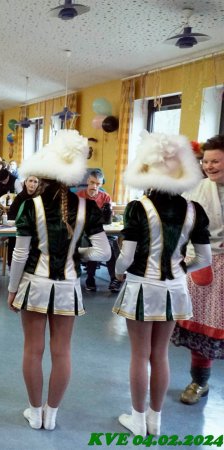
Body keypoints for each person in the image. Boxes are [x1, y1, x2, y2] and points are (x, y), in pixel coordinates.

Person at [7, 130, 111, 431]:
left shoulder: (31, 205)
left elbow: (19, 254)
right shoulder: (87, 206)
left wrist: (12, 290)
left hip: (35, 283)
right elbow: (104, 252)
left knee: (33, 350)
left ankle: (34, 411)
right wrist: (76, 253)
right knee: (62, 351)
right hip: (68, 285)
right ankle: (51, 415)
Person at [112, 131, 211, 435]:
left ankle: (137, 419)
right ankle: (155, 420)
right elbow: (204, 258)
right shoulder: (194, 209)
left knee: (139, 355)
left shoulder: (137, 207)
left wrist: (118, 272)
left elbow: (127, 257)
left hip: (142, 286)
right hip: (175, 287)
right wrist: (181, 267)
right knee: (160, 354)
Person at [172, 134, 224, 406]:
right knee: (202, 329)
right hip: (204, 264)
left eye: (216, 161)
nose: (209, 166)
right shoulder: (195, 191)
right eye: (206, 161)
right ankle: (199, 382)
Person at [78, 169, 122, 292]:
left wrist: (109, 214)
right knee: (94, 245)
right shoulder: (79, 196)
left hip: (101, 231)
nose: (94, 186)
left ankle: (114, 279)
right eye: (92, 182)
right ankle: (90, 278)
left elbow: (107, 220)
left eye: (98, 184)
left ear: (101, 184)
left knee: (111, 244)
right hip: (84, 232)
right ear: (88, 181)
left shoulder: (105, 197)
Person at [7, 176, 40, 267]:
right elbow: (11, 214)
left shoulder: (40, 198)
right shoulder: (19, 197)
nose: (32, 184)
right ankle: (12, 265)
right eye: (30, 181)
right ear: (25, 182)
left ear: (38, 184)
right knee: (13, 238)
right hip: (20, 228)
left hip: (35, 230)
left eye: (35, 182)